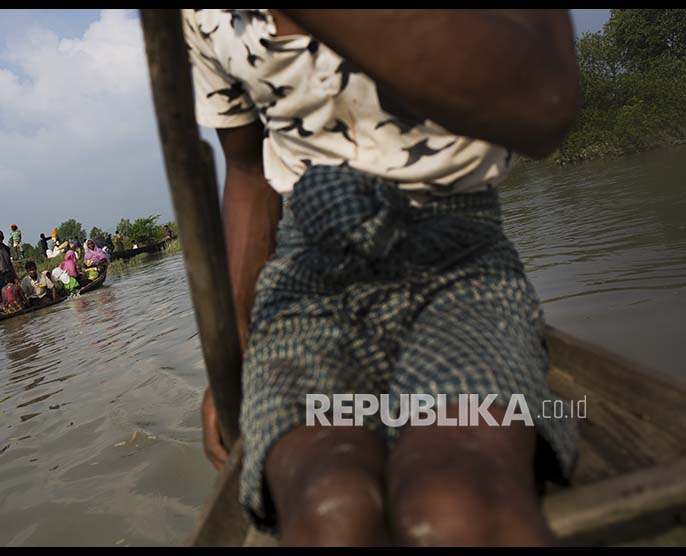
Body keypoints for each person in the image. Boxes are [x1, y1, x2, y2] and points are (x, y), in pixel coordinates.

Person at [183, 9, 580, 547]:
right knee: (332, 509)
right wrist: (230, 351)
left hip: (458, 260)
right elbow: (249, 172)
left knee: (453, 504)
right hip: (307, 277)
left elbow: (545, 106)